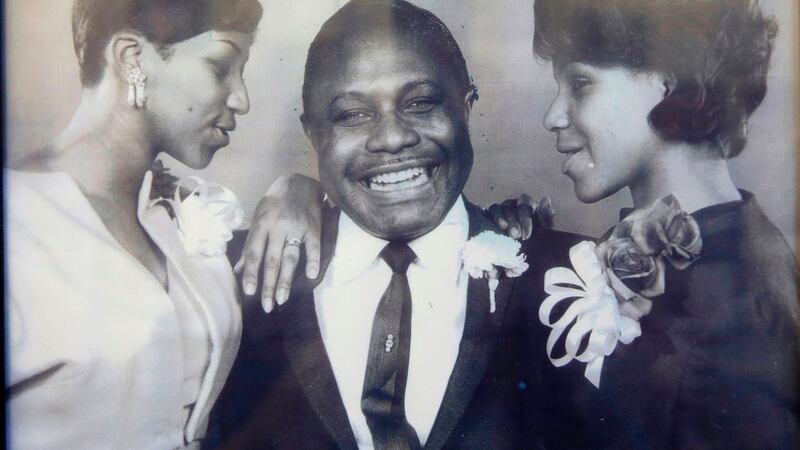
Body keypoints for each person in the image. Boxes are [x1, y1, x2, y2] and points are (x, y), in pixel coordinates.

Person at [208, 1, 580, 448]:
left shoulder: (570, 282)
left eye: (420, 103)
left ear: (466, 108)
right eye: (351, 114)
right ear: (312, 133)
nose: (392, 137)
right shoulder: (230, 281)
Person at [5, 1, 317, 447]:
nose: (241, 99)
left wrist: (298, 189)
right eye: (221, 65)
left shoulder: (186, 214)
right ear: (132, 58)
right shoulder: (18, 225)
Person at [515, 0, 800, 448]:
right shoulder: (737, 245)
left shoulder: (733, 309)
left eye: (581, 84)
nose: (553, 116)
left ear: (669, 83)